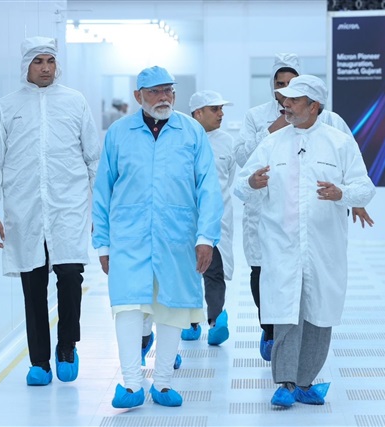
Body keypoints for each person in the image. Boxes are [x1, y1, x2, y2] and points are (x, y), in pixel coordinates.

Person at [234, 75, 376, 407]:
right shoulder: (271, 143)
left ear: (314, 106)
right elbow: (241, 186)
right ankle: (285, 382)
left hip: (323, 247)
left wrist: (342, 194)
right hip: (281, 246)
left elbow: (365, 188)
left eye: (294, 100)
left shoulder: (339, 143)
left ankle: (304, 381)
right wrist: (252, 183)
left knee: (318, 315)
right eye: (284, 99)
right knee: (285, 314)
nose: (285, 104)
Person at [92, 66, 223, 409]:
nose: (164, 97)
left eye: (169, 90)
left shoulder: (191, 132)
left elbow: (209, 188)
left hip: (177, 236)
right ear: (138, 96)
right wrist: (102, 242)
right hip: (128, 237)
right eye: (155, 91)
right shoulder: (119, 134)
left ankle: (163, 383)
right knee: (127, 306)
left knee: (172, 308)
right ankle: (131, 384)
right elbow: (102, 191)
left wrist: (206, 237)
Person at [0, 36, 100, 386]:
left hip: (69, 207)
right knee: (33, 285)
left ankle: (67, 347)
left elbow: (94, 159)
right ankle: (39, 363)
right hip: (25, 210)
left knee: (70, 276)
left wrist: (99, 210)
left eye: (50, 61)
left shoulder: (75, 102)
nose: (45, 68)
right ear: (26, 66)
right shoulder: (8, 106)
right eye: (38, 61)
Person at [177, 89, 236, 346]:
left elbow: (228, 177)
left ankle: (216, 321)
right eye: (215, 109)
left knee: (214, 271)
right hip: (185, 217)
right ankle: (190, 322)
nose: (221, 114)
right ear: (198, 113)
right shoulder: (180, 138)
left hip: (216, 219)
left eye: (222, 109)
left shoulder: (227, 141)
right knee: (186, 272)